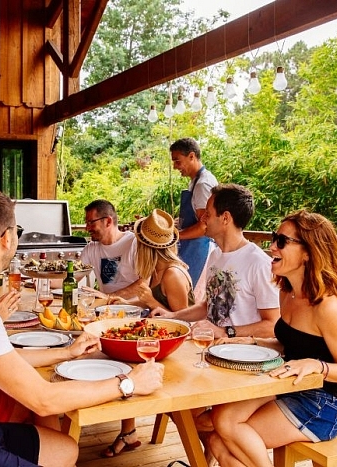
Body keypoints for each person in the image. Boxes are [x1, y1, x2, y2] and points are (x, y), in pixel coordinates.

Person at [0, 188, 164, 467]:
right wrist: (129, 383)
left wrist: (67, 353)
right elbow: (43, 400)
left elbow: (5, 359)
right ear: (7, 239)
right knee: (47, 422)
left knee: (65, 449)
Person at [207, 210, 337, 467]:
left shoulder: (328, 307)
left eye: (282, 241)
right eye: (274, 238)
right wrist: (255, 342)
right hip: (287, 386)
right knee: (217, 434)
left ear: (309, 252)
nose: (272, 246)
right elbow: (294, 346)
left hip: (321, 403)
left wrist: (316, 365)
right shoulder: (286, 293)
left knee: (222, 439)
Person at [104, 208, 195, 458]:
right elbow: (148, 304)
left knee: (124, 363)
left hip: (180, 351)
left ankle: (129, 432)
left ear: (147, 247)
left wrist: (152, 304)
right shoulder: (156, 270)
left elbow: (184, 325)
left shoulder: (173, 274)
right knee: (120, 359)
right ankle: (128, 432)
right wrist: (122, 306)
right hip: (156, 341)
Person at [152, 184, 279, 340]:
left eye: (207, 213)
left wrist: (226, 332)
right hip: (212, 350)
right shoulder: (215, 255)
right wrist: (172, 316)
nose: (203, 219)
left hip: (242, 356)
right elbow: (208, 306)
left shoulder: (259, 263)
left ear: (225, 218)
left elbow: (273, 325)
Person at [170, 137, 219, 287]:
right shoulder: (195, 181)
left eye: (177, 161)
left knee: (190, 297)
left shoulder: (203, 184)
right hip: (191, 246)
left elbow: (205, 227)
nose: (175, 166)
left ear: (192, 156)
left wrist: (174, 237)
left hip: (200, 250)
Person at [80, 199, 143, 299]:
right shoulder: (90, 248)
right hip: (105, 310)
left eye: (91, 222)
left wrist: (109, 297)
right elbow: (72, 275)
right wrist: (47, 276)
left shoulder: (134, 243)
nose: (87, 228)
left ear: (108, 221)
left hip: (135, 311)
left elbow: (144, 284)